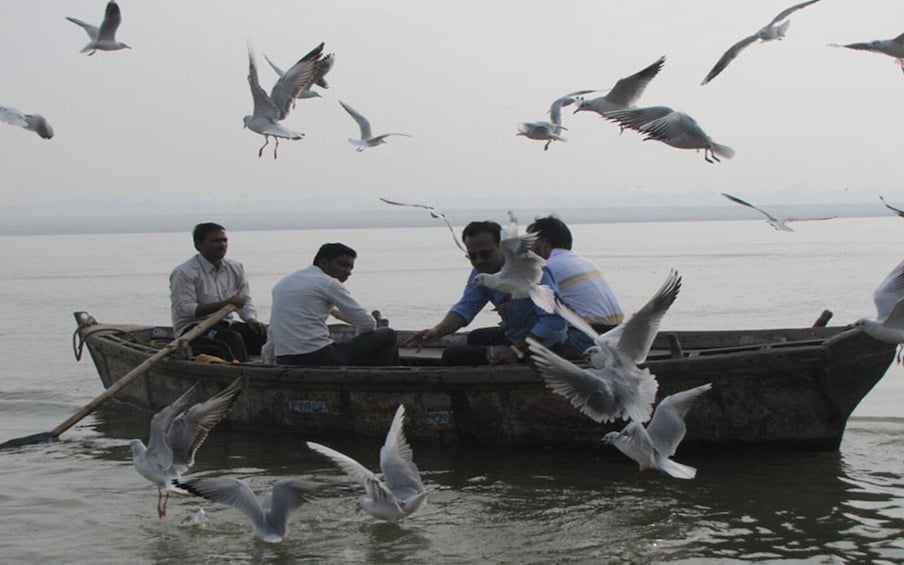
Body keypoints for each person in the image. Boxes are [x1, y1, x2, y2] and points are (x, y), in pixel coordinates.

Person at [405, 220, 570, 365]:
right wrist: (436, 331)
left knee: (452, 356)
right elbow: (465, 308)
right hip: (515, 335)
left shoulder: (529, 270)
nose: (479, 261)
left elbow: (553, 321)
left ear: (501, 247)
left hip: (545, 346)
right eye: (473, 256)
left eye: (486, 254)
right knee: (476, 337)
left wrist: (515, 350)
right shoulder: (482, 272)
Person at [269, 242, 399, 366]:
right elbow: (368, 323)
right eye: (343, 265)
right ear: (324, 263)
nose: (348, 272)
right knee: (388, 334)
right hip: (318, 357)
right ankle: (378, 382)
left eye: (350, 267)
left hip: (284, 358)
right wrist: (360, 338)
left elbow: (273, 329)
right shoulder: (328, 283)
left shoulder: (284, 283)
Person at [169, 222, 267, 362]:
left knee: (264, 334)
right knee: (231, 339)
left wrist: (251, 319)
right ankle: (243, 373)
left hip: (225, 324)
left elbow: (244, 300)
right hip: (192, 330)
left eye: (224, 240)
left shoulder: (235, 268)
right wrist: (225, 304)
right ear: (199, 245)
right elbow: (186, 309)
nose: (222, 245)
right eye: (215, 241)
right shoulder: (184, 272)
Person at [526, 216, 624, 352]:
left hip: (587, 338)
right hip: (616, 335)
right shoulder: (584, 261)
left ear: (542, 242)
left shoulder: (547, 267)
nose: (526, 249)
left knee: (521, 335)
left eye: (528, 243)